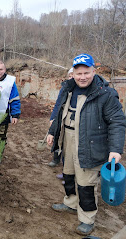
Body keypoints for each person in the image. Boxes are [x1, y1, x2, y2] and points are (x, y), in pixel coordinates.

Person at [47, 53, 126, 235]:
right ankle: (71, 204)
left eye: (86, 72)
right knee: (68, 175)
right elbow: (60, 113)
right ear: (73, 73)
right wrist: (52, 132)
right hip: (68, 139)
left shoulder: (105, 93)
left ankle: (87, 218)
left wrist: (115, 149)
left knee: (86, 184)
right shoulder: (69, 88)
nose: (82, 77)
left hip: (91, 144)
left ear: (94, 71)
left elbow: (117, 122)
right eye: (78, 73)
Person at [48, 68, 74, 168]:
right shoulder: (65, 88)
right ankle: (56, 158)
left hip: (71, 120)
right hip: (61, 117)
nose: (71, 78)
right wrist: (53, 118)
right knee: (58, 137)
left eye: (73, 75)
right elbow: (58, 104)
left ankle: (67, 170)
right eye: (70, 76)